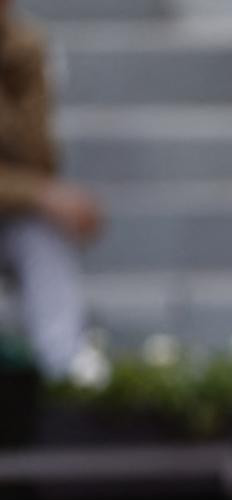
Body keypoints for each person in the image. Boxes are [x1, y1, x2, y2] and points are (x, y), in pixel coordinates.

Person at [0, 0, 101, 378]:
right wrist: (41, 194)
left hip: (11, 209)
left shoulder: (25, 51)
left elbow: (40, 161)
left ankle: (65, 372)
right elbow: (42, 186)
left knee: (43, 234)